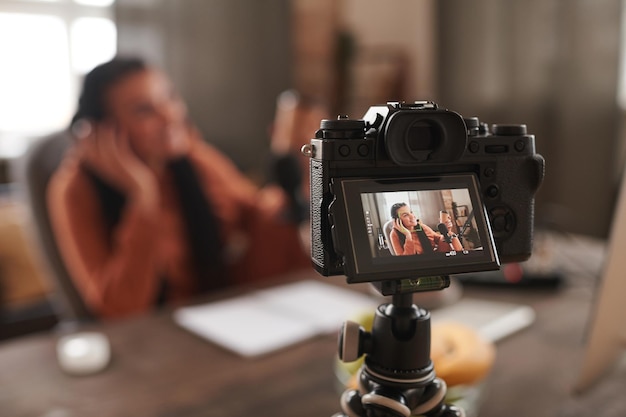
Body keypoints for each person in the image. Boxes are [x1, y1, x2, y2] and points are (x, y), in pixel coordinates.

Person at [47, 57, 310, 319]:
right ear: (101, 132)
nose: (170, 115)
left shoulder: (191, 156)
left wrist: (299, 183)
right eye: (143, 110)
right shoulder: (75, 190)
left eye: (170, 97)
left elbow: (256, 213)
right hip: (153, 341)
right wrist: (143, 197)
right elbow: (119, 310)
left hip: (218, 318)